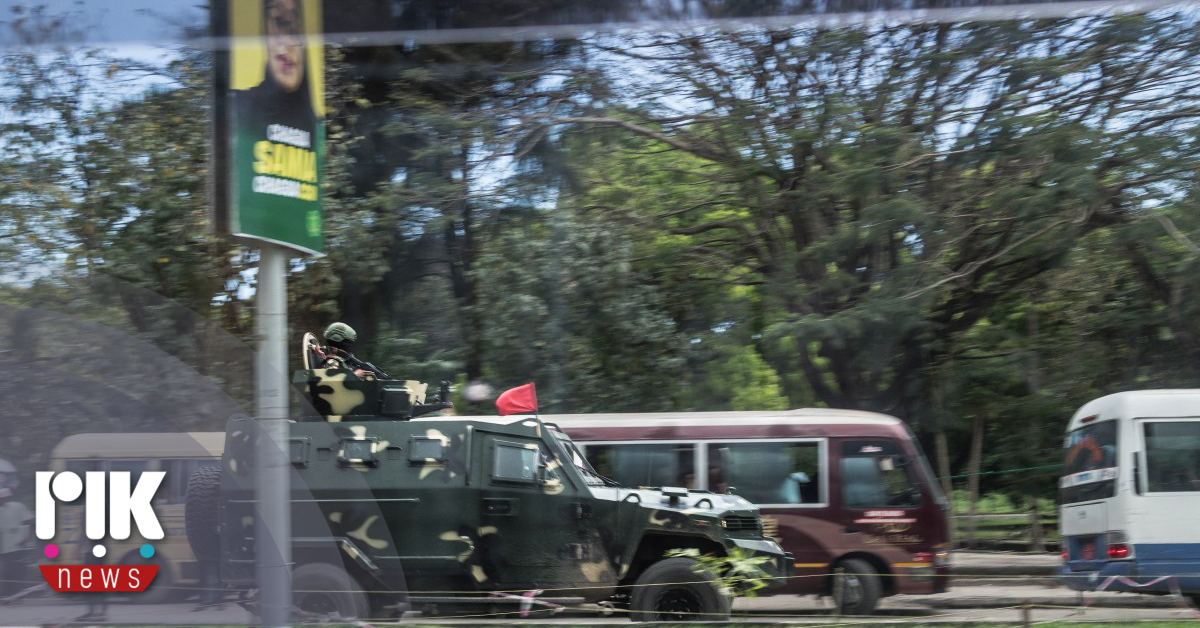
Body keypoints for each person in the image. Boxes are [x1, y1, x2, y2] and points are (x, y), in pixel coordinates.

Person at [320, 322, 388, 379]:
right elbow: (328, 381)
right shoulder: (332, 361)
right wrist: (353, 375)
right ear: (339, 340)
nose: (351, 345)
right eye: (348, 342)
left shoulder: (347, 360)